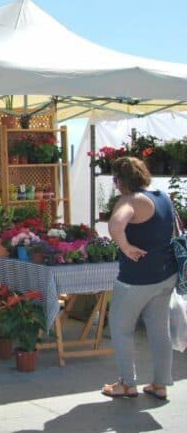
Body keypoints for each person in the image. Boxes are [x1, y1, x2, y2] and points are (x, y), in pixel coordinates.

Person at [102, 156, 178, 400]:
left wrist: (125, 247)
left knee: (121, 328)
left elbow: (115, 225)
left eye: (115, 179)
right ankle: (160, 384)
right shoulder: (164, 197)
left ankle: (127, 383)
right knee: (159, 331)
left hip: (136, 279)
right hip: (166, 275)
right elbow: (174, 231)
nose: (114, 184)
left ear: (122, 180)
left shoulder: (130, 200)